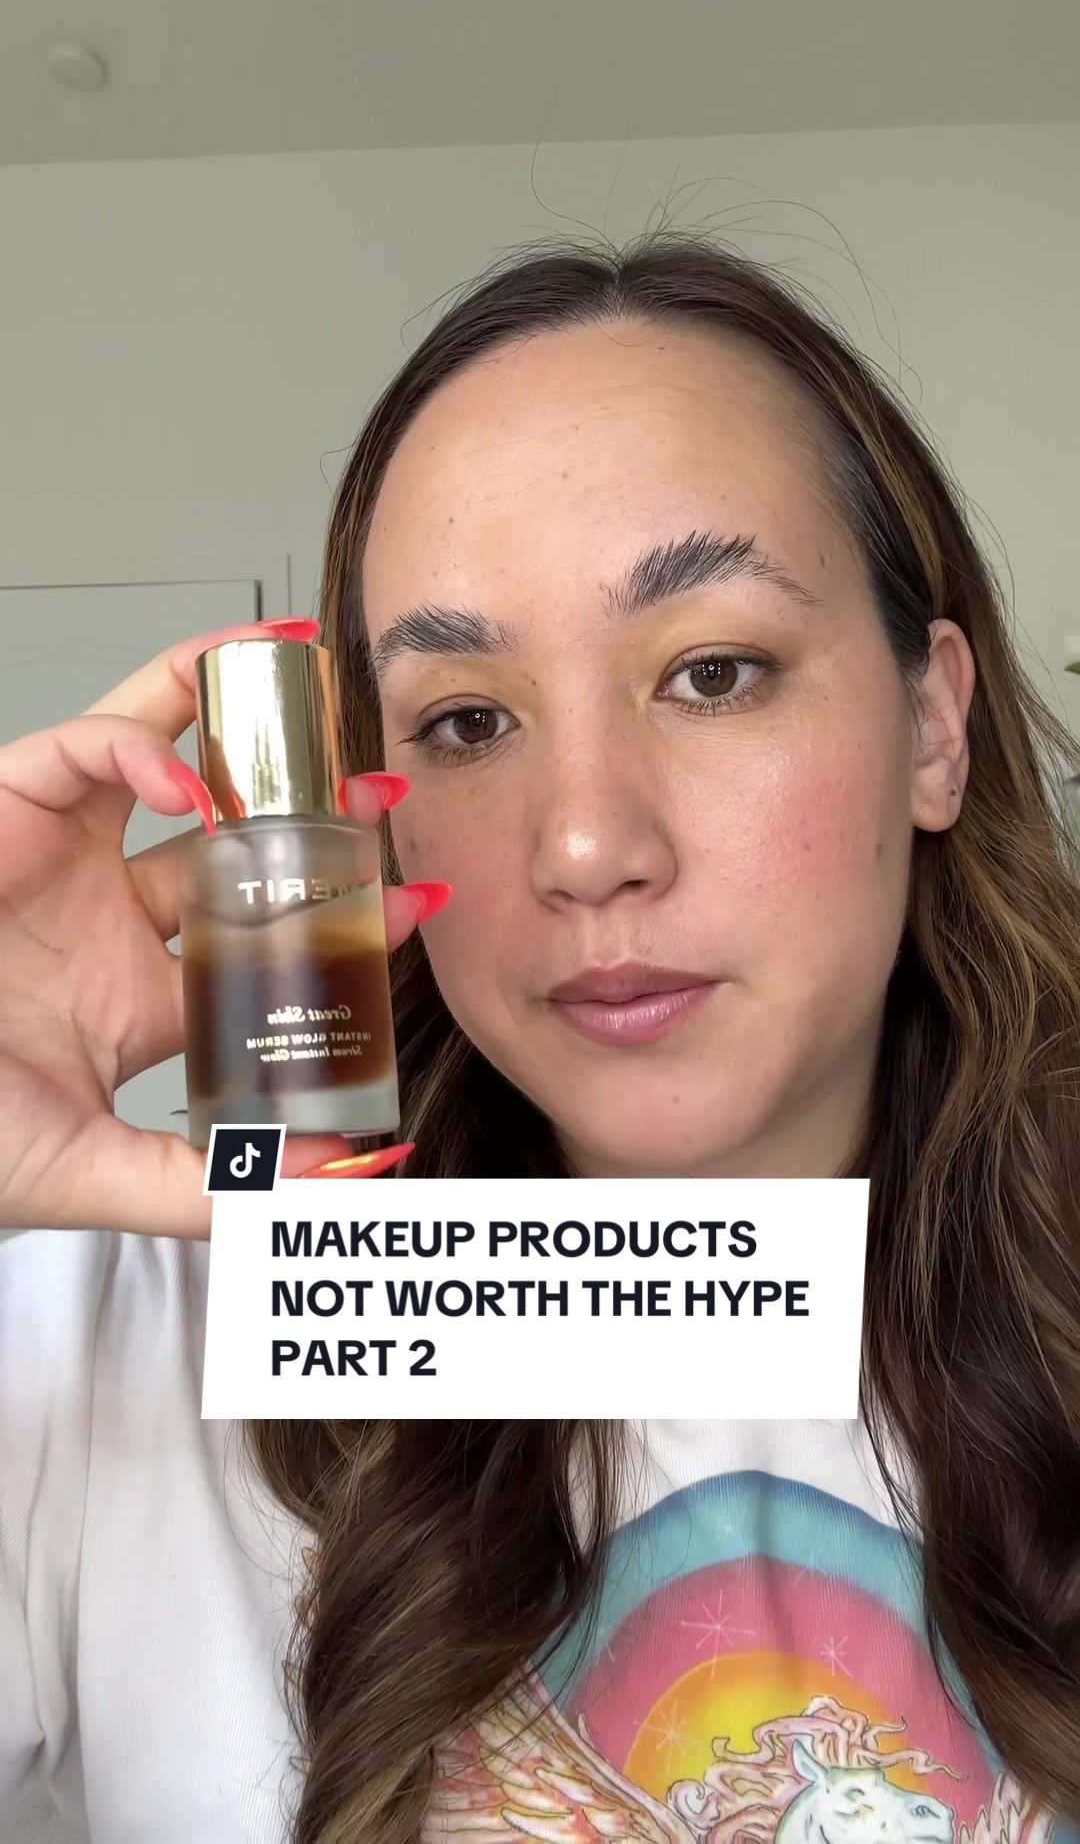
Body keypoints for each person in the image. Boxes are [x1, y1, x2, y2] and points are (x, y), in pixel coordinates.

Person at [0, 235, 1077, 1844]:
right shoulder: (128, 1345)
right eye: (468, 720)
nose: (583, 846)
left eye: (713, 672)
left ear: (933, 725)